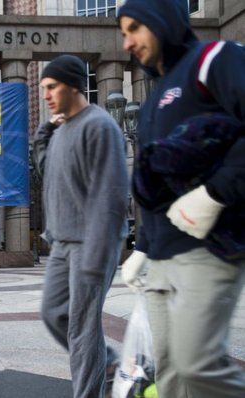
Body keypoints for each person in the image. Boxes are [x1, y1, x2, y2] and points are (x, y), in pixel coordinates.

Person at [118, 0, 245, 396]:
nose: (127, 42)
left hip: (207, 249)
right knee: (170, 374)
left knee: (196, 366)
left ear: (162, 21)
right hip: (160, 258)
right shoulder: (155, 99)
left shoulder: (215, 60)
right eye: (123, 32)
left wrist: (216, 192)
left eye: (135, 28)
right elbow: (158, 184)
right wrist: (143, 247)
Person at [34, 54, 129, 398]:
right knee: (53, 313)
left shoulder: (100, 126)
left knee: (82, 327)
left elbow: (113, 195)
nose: (46, 94)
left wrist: (97, 252)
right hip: (62, 242)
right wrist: (46, 131)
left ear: (74, 85)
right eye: (43, 88)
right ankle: (109, 365)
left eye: (52, 87)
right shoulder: (62, 131)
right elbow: (49, 170)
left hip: (91, 242)